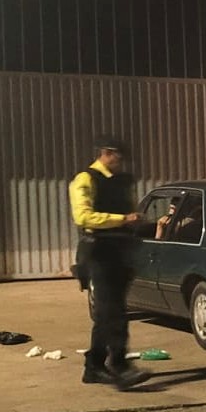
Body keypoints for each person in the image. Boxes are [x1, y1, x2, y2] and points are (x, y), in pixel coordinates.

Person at [68, 136, 152, 389]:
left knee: (113, 312)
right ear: (105, 153)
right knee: (110, 311)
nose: (121, 162)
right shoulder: (85, 179)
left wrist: (136, 224)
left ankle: (94, 366)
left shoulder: (122, 181)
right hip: (99, 251)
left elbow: (129, 211)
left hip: (120, 251)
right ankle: (119, 366)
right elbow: (83, 217)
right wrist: (122, 219)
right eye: (118, 157)